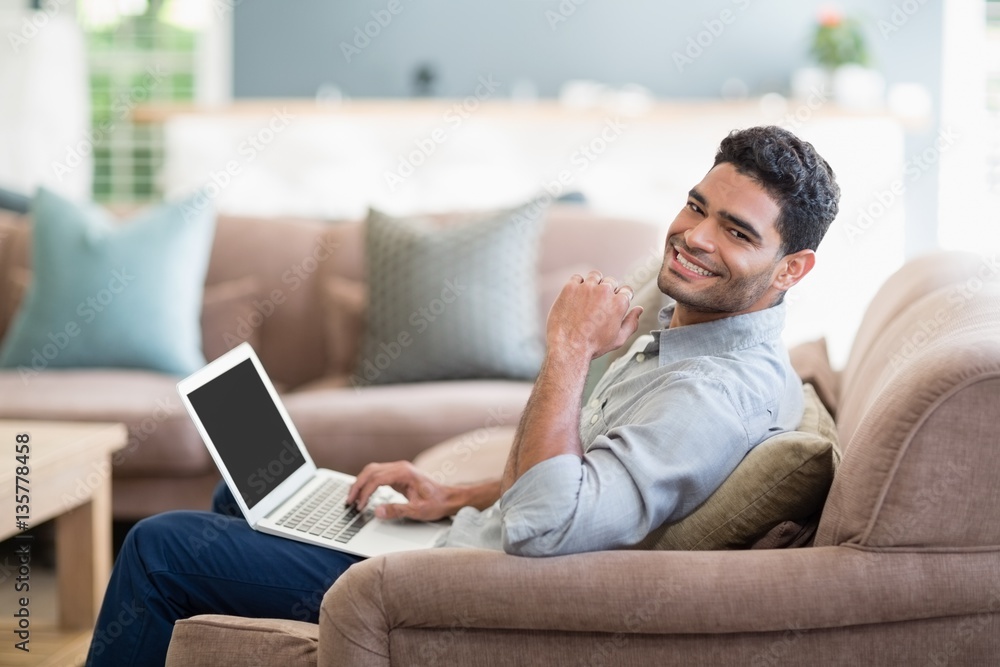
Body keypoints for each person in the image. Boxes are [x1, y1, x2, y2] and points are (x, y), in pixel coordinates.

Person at [85, 125, 839, 665]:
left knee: (157, 548)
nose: (694, 236)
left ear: (791, 268)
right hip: (462, 535)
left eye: (736, 231)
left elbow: (548, 525)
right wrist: (453, 492)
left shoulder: (711, 393)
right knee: (240, 495)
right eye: (696, 204)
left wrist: (570, 347)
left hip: (463, 580)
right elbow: (595, 476)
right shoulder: (703, 333)